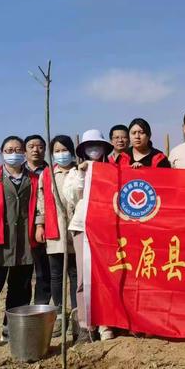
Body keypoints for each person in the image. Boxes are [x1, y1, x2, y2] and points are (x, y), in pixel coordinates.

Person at [0, 136, 38, 353]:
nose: (13, 152)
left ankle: (10, 331)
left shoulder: (32, 179)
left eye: (17, 149)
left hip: (24, 242)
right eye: (8, 149)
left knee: (20, 290)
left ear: (23, 153)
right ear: (2, 153)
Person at [63, 129, 115, 343]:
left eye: (98, 145)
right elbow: (72, 197)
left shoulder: (113, 170)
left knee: (108, 276)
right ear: (83, 150)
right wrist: (83, 173)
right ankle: (86, 325)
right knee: (84, 278)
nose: (94, 149)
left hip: (107, 228)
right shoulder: (75, 172)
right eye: (89, 146)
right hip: (82, 226)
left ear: (104, 148)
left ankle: (107, 323)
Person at [35, 135, 78, 337]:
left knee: (75, 274)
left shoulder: (79, 171)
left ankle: (78, 316)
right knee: (56, 275)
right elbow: (41, 201)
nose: (61, 154)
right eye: (57, 151)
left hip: (76, 229)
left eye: (64, 149)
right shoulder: (47, 174)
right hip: (55, 230)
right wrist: (40, 225)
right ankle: (60, 314)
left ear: (72, 150)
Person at [24, 134, 51, 306]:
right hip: (22, 230)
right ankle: (22, 310)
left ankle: (41, 307)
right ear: (25, 151)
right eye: (31, 146)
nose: (36, 150)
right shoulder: (19, 173)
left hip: (46, 229)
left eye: (40, 146)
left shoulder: (51, 172)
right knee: (23, 274)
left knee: (44, 273)